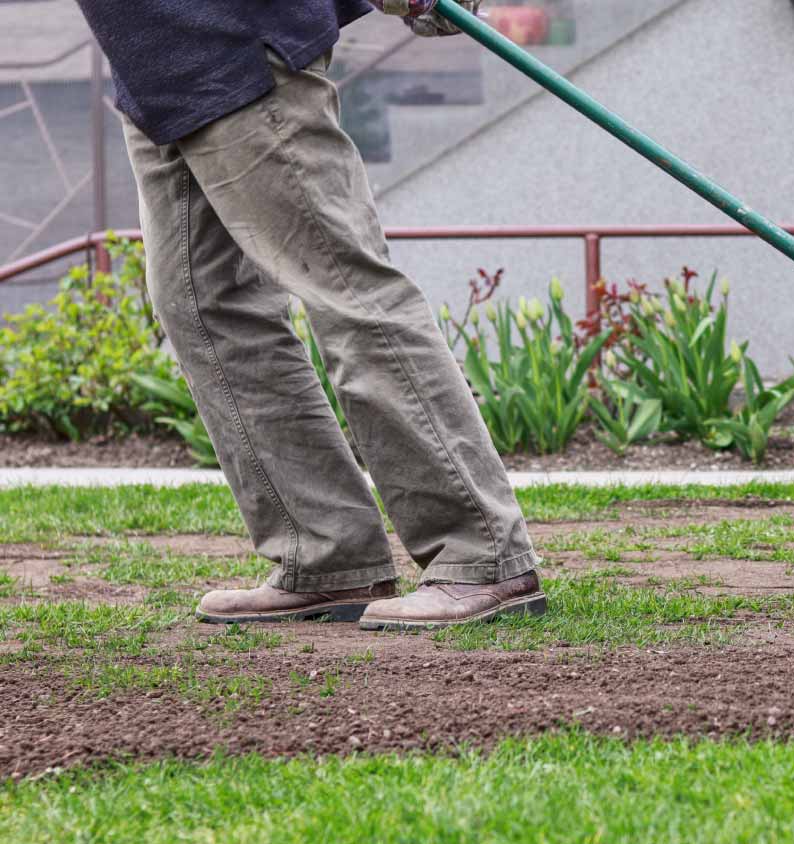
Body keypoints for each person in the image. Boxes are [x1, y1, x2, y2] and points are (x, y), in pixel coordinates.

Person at [75, 0, 546, 630]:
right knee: (204, 307)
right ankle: (326, 555)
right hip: (155, 64)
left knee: (344, 286)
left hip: (231, 42)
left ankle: (481, 556)